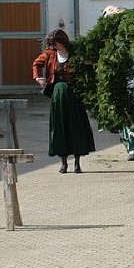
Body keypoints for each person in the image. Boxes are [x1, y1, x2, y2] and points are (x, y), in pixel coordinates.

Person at [33, 28, 95, 173]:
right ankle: (63, 163)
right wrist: (38, 78)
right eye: (52, 44)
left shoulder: (75, 53)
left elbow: (88, 66)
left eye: (56, 44)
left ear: (63, 42)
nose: (54, 47)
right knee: (60, 128)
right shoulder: (50, 54)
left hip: (74, 96)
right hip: (58, 95)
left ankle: (77, 163)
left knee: (76, 127)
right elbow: (36, 63)